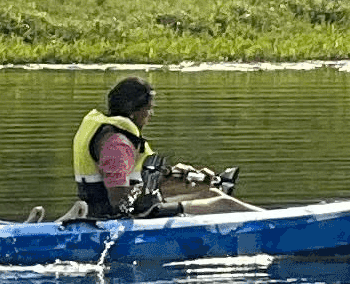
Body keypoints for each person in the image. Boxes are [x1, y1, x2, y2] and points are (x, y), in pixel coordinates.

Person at [66, 74, 253, 220]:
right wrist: (153, 183)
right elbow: (119, 202)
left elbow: (133, 184)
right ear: (133, 110)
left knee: (211, 192)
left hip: (128, 210)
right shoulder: (117, 144)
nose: (150, 114)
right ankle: (275, 223)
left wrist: (171, 178)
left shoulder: (117, 137)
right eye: (148, 109)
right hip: (120, 217)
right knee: (223, 203)